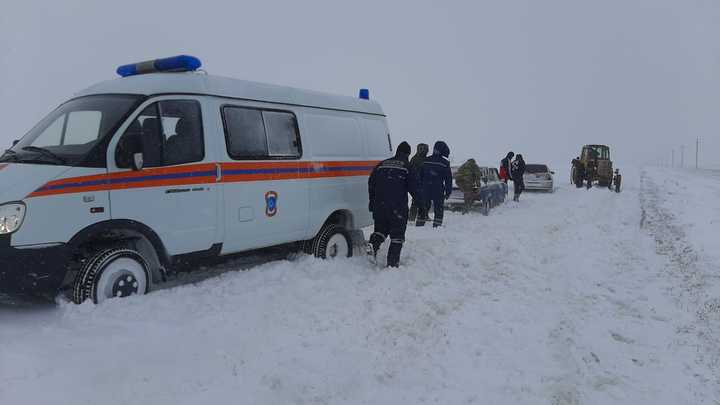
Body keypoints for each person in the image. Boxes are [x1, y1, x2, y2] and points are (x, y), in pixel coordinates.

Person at [367, 141, 417, 267]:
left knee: (380, 230)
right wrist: (422, 205)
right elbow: (415, 188)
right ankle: (392, 264)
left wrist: (372, 202)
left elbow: (371, 183)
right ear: (408, 153)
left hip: (380, 205)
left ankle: (373, 248)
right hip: (397, 207)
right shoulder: (407, 166)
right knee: (397, 235)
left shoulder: (381, 164)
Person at [416, 141, 452, 228]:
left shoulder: (425, 161)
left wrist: (419, 188)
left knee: (424, 207)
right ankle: (437, 226)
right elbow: (448, 179)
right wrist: (448, 192)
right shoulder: (445, 163)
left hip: (425, 188)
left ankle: (419, 224)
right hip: (438, 189)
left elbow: (419, 176)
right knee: (438, 208)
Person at [408, 143, 429, 222]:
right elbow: (412, 171)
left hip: (422, 182)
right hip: (417, 182)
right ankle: (412, 217)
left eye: (425, 149)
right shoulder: (415, 159)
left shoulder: (424, 159)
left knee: (423, 201)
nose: (424, 151)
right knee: (416, 201)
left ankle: (423, 215)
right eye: (423, 149)